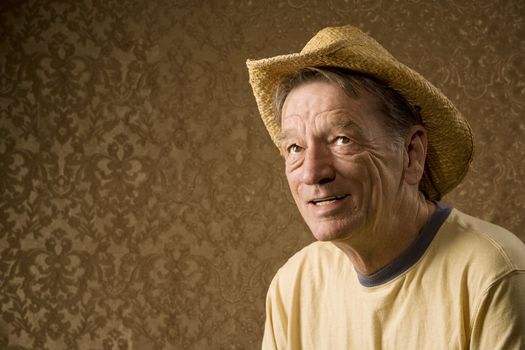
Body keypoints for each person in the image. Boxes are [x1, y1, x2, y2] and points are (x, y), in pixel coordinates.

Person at [246, 25, 525, 349]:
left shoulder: (495, 275)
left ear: (411, 154)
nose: (312, 172)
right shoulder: (293, 285)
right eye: (295, 148)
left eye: (342, 140)